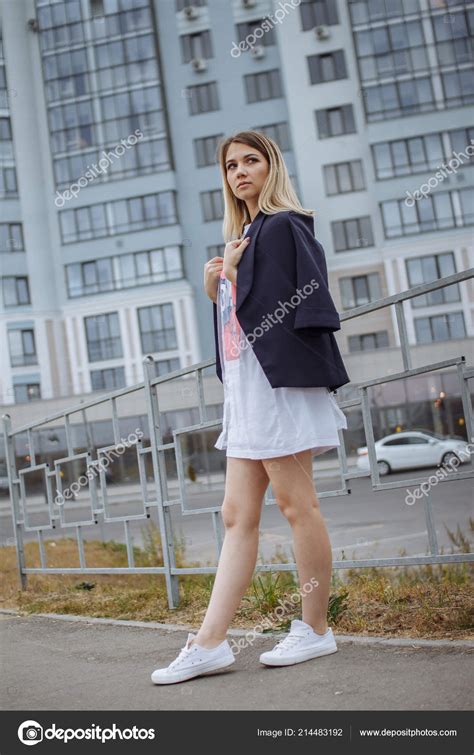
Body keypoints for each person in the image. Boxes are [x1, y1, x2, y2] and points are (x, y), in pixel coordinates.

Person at [151, 130, 350, 685]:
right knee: (237, 516)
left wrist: (236, 276)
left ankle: (314, 629)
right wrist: (213, 285)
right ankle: (210, 643)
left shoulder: (284, 225)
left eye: (251, 161)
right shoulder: (243, 237)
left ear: (271, 167)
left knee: (296, 506)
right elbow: (237, 325)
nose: (240, 172)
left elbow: (304, 298)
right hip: (247, 389)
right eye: (231, 165)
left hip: (279, 388)